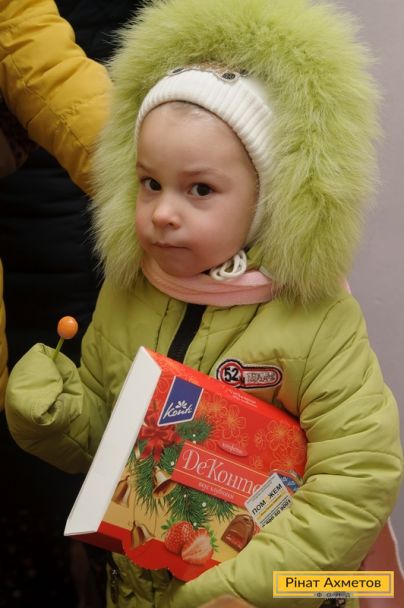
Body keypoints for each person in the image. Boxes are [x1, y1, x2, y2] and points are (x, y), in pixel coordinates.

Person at [4, 0, 403, 607]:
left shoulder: (317, 320)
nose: (164, 211)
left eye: (200, 189)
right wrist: (58, 418)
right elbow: (117, 449)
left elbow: (357, 480)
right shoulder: (128, 290)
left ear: (268, 197)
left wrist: (247, 590)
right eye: (150, 183)